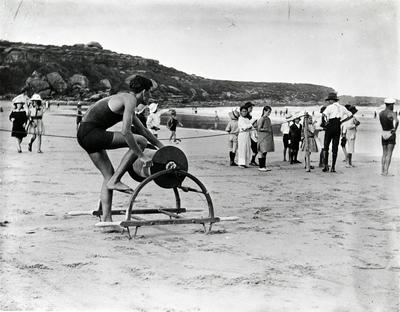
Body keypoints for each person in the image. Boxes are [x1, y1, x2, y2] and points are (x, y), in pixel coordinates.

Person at [76, 75, 162, 223]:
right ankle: (116, 180)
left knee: (107, 175)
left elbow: (143, 130)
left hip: (83, 134)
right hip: (91, 133)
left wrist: (162, 147)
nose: (151, 96)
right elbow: (126, 132)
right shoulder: (130, 100)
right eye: (150, 93)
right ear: (144, 92)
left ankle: (106, 220)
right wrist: (141, 156)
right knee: (140, 142)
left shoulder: (125, 99)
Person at [321, 92, 352, 172]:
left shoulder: (329, 107)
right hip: (337, 126)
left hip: (330, 126)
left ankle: (326, 166)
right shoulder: (342, 107)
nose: (328, 102)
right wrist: (342, 121)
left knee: (326, 146)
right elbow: (350, 115)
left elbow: (323, 115)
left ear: (332, 100)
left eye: (329, 100)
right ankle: (333, 167)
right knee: (335, 147)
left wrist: (325, 123)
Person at [379, 98, 398, 176]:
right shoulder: (392, 113)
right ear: (390, 105)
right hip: (390, 133)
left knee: (384, 153)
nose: (393, 106)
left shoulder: (381, 113)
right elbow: (397, 121)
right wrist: (395, 129)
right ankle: (386, 172)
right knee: (389, 153)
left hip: (383, 133)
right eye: (393, 105)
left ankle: (382, 170)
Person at [257, 106, 274, 171]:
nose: (269, 113)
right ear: (264, 111)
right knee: (262, 152)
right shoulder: (262, 119)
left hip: (267, 137)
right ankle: (261, 166)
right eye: (268, 112)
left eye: (270, 112)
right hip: (262, 137)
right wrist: (266, 129)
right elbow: (259, 128)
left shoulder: (268, 119)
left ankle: (264, 166)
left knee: (265, 152)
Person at [243, 101, 258, 166]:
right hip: (248, 134)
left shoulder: (249, 116)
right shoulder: (245, 116)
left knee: (254, 149)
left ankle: (252, 160)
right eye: (251, 108)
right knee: (254, 149)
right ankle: (251, 161)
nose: (252, 109)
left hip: (252, 134)